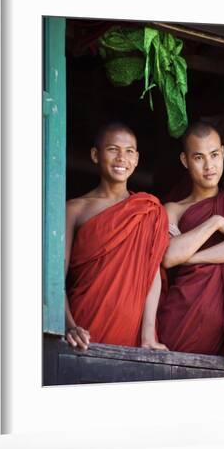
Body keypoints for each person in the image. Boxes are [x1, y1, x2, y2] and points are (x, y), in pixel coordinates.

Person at [157, 121, 224, 370]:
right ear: (185, 160)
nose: (209, 166)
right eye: (199, 157)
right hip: (182, 316)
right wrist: (215, 222)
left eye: (214, 155)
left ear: (223, 153)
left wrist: (191, 257)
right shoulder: (173, 209)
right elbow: (169, 256)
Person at [64, 122, 169, 351]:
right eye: (113, 149)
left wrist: (148, 336)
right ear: (95, 154)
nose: (122, 158)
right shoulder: (75, 209)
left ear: (137, 159)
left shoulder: (149, 210)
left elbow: (152, 275)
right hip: (84, 327)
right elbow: (53, 279)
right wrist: (67, 325)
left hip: (131, 331)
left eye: (129, 151)